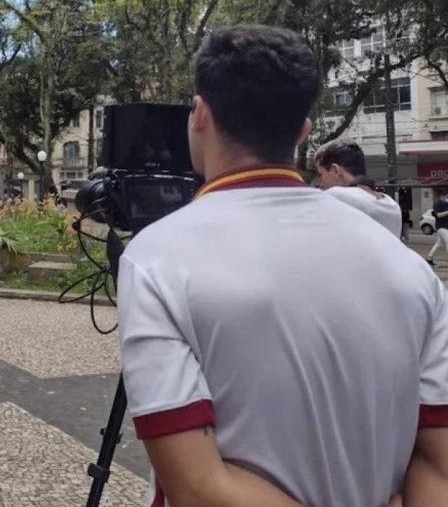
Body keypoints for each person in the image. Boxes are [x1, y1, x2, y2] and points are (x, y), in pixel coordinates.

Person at [117, 25, 448, 507]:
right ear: (304, 130)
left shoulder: (157, 258)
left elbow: (197, 487)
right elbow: (438, 464)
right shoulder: (409, 268)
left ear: (200, 114)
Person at [314, 140, 401, 237]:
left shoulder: (335, 196)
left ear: (335, 171)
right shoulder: (391, 205)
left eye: (321, 174)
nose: (320, 183)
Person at [427, 187, 448, 268]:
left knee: (439, 243)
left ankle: (429, 258)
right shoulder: (437, 204)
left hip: (446, 226)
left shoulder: (446, 203)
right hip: (441, 227)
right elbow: (438, 215)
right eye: (446, 195)